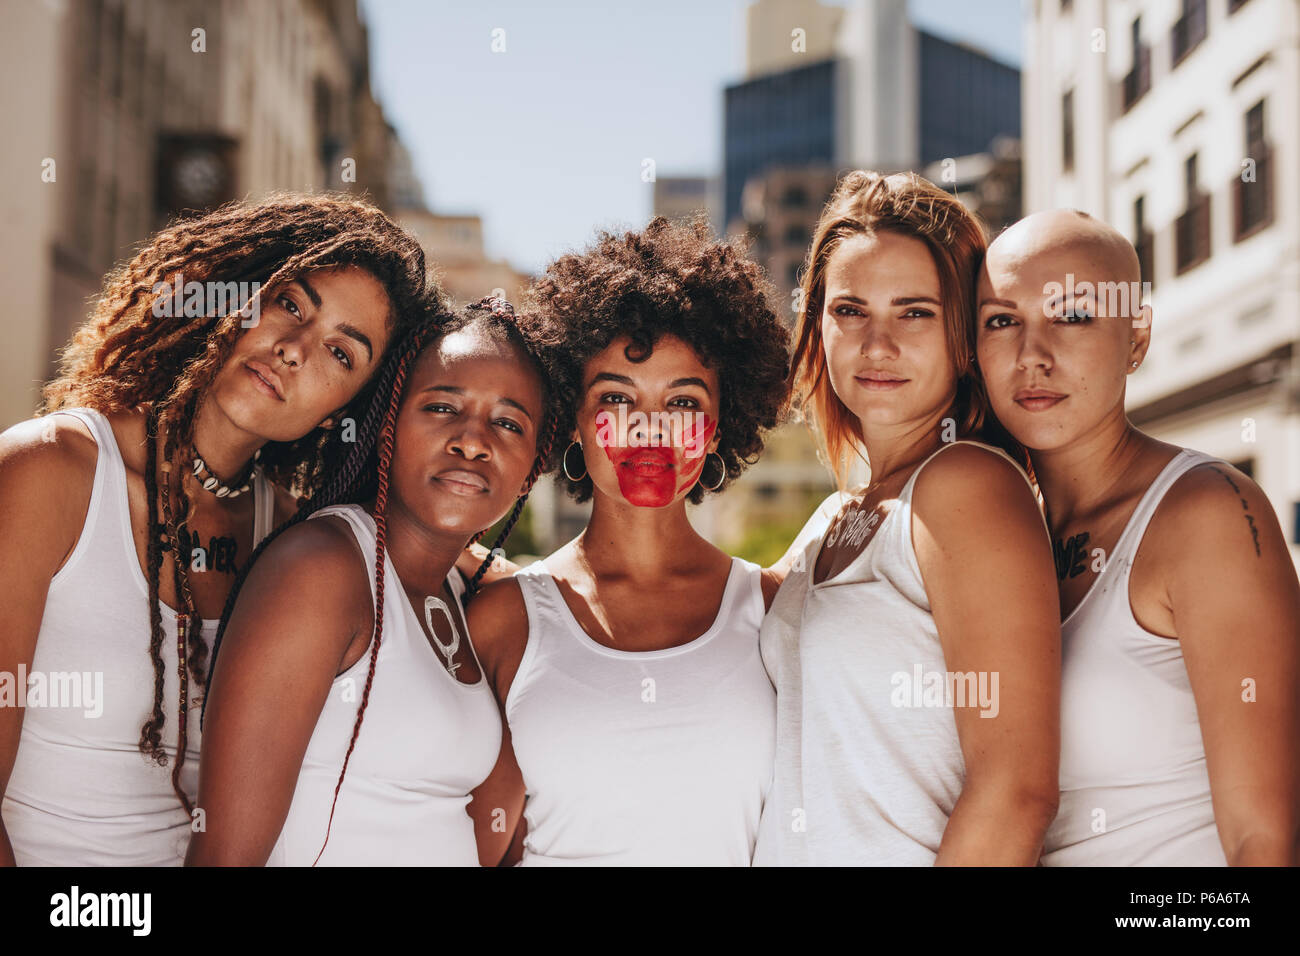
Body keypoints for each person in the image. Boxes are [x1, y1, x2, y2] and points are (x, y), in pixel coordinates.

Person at [0, 194, 431, 865]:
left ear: (340, 414)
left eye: (341, 354)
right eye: (291, 304)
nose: (293, 351)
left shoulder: (291, 544)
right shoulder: (49, 471)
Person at [753, 171, 1061, 866]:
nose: (878, 344)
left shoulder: (966, 486)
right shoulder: (839, 516)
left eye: (914, 312)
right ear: (817, 327)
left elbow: (1018, 791)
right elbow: (704, 598)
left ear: (963, 338)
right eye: (850, 311)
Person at [975, 208, 1300, 865]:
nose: (1032, 355)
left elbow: (1265, 839)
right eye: (1003, 320)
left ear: (1137, 337)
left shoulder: (1205, 514)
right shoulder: (1000, 536)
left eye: (1073, 315)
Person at [187, 297, 557, 866]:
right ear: (388, 423)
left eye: (508, 423)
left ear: (534, 463)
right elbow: (224, 859)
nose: (473, 441)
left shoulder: (466, 595)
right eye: (441, 408)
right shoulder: (321, 568)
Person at [466, 217, 791, 865]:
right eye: (617, 398)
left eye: (683, 404)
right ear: (575, 422)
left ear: (721, 427)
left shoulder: (779, 609)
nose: (650, 431)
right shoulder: (505, 620)